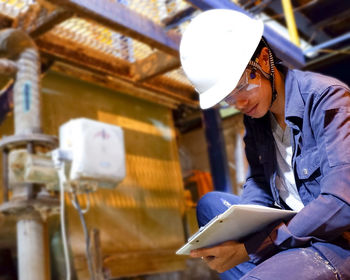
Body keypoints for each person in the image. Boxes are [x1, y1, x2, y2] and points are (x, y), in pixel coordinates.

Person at [179, 9, 350, 280]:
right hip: (287, 230)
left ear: (263, 59)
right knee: (211, 206)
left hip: (332, 241)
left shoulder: (326, 98)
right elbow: (259, 181)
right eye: (228, 98)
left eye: (242, 85)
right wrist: (239, 224)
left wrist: (251, 248)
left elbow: (342, 203)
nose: (240, 103)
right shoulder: (257, 120)